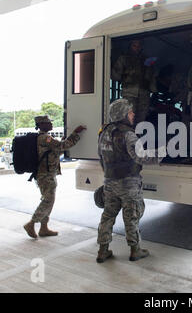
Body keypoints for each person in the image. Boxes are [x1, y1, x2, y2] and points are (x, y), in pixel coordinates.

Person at [96, 98, 165, 263]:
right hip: (129, 184)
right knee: (131, 217)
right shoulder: (128, 134)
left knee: (107, 216)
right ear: (123, 115)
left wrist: (108, 175)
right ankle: (135, 250)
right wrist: (162, 152)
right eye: (130, 112)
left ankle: (102, 251)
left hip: (110, 182)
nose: (133, 115)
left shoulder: (104, 132)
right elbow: (141, 156)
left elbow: (100, 157)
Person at [23, 116, 86, 238]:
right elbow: (64, 145)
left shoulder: (44, 138)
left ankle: (43, 228)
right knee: (48, 200)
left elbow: (55, 151)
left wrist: (61, 143)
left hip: (46, 174)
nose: (51, 124)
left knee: (48, 200)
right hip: (46, 175)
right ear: (41, 124)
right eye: (48, 123)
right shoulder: (45, 138)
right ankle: (31, 224)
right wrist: (76, 133)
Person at [111, 39, 156, 124]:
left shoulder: (147, 60)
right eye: (134, 46)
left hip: (144, 93)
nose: (137, 48)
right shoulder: (123, 58)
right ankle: (129, 135)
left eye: (139, 46)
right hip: (129, 92)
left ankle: (138, 135)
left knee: (142, 118)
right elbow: (115, 75)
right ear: (130, 46)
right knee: (129, 117)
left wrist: (154, 91)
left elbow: (151, 76)